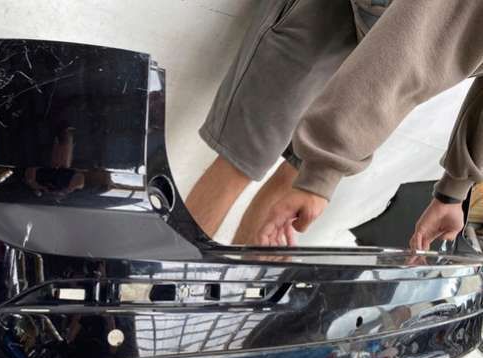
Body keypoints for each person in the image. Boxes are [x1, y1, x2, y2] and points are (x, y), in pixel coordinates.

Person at [185, 0, 483, 250]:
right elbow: (415, 45)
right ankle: (163, 289)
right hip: (340, 10)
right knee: (242, 159)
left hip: (397, 30)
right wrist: (323, 173)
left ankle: (234, 295)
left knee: (297, 177)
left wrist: (453, 193)